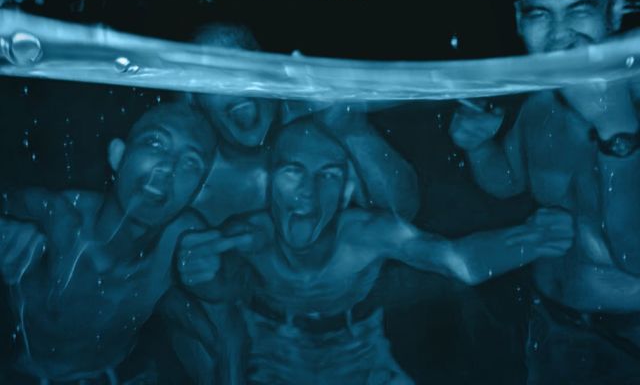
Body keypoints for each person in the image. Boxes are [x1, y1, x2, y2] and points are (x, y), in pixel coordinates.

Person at [176, 116, 574, 385]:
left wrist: (533, 238)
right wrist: (198, 273)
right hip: (275, 355)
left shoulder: (367, 232)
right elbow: (220, 287)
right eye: (292, 172)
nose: (308, 192)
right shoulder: (249, 235)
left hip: (363, 353)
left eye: (328, 175)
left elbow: (460, 262)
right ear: (268, 185)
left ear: (346, 191)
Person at [162, 22, 421, 384]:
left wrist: (350, 126)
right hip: (260, 343)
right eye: (211, 75)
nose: (233, 82)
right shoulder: (192, 177)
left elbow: (401, 212)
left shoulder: (320, 118)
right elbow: (185, 303)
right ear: (193, 98)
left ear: (269, 71)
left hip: (359, 337)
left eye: (244, 65)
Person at [449, 0, 640, 383]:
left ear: (614, 11)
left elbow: (634, 255)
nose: (559, 34)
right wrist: (479, 146)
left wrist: (617, 129)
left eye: (579, 11)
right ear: (519, 19)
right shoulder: (540, 105)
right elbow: (507, 182)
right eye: (540, 15)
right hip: (553, 322)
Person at [0, 102, 216, 383]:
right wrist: (7, 230)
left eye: (191, 163)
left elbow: (227, 320)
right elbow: (9, 201)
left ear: (197, 192)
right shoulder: (58, 218)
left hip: (118, 374)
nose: (167, 168)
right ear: (118, 155)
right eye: (155, 143)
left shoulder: (185, 240)